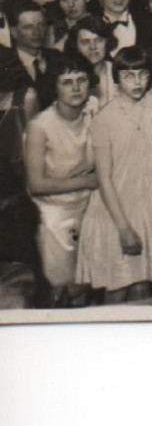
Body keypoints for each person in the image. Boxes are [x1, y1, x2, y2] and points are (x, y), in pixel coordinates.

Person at [75, 46, 152, 303]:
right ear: (116, 79)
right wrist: (124, 229)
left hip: (145, 209)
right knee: (117, 289)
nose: (137, 82)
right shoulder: (103, 120)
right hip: (115, 213)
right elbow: (104, 179)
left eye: (142, 75)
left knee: (141, 288)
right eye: (129, 76)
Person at [24, 51, 98, 306]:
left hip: (90, 207)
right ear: (54, 87)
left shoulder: (93, 116)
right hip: (55, 213)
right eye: (67, 82)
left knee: (92, 285)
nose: (76, 87)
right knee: (63, 292)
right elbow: (37, 184)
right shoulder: (40, 126)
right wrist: (87, 182)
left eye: (82, 80)